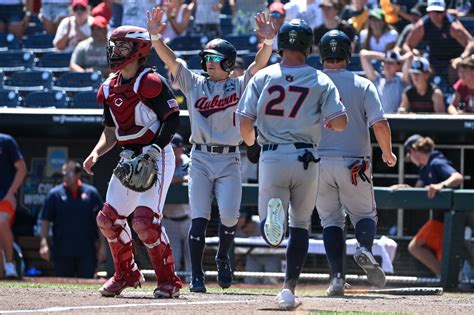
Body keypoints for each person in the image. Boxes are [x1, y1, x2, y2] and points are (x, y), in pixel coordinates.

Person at [147, 6, 277, 292]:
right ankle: (196, 275)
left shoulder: (239, 84)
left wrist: (268, 43)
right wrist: (156, 37)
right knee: (199, 217)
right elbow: (172, 61)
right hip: (202, 157)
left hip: (230, 158)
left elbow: (258, 66)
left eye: (214, 58)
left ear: (228, 62)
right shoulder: (195, 83)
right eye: (206, 58)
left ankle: (222, 257)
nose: (208, 62)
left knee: (230, 216)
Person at [238, 20, 348, 309]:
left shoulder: (263, 76)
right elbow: (340, 121)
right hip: (306, 157)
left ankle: (270, 223)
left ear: (283, 44)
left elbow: (244, 122)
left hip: (272, 154)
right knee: (300, 224)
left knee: (270, 222)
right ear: (308, 46)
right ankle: (288, 289)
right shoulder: (320, 79)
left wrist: (251, 143)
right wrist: (325, 122)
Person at [83, 25, 182, 298]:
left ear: (139, 50)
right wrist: (96, 153)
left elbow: (172, 119)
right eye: (114, 45)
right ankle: (125, 273)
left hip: (157, 155)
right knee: (107, 219)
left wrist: (154, 149)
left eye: (123, 46)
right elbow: (110, 132)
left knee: (144, 222)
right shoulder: (109, 86)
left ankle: (169, 281)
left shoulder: (151, 82)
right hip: (128, 158)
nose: (116, 51)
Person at [315, 30, 397, 297]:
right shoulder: (363, 84)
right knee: (364, 215)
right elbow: (380, 124)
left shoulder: (311, 82)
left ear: (322, 54)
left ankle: (337, 279)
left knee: (330, 221)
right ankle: (363, 246)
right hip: (354, 163)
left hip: (317, 162)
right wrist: (388, 152)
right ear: (347, 54)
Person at [391, 134, 464, 275]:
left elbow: (458, 177)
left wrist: (441, 185)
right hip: (439, 219)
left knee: (456, 254)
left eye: (409, 155)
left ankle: (448, 278)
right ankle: (445, 276)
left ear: (413, 151)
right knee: (417, 247)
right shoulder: (425, 168)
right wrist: (405, 188)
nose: (410, 159)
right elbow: (417, 191)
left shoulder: (436, 162)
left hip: (452, 218)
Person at [39, 161, 105, 279]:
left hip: (86, 249)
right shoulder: (54, 194)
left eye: (69, 173)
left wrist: (103, 246)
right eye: (64, 173)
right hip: (62, 249)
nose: (66, 176)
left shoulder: (91, 193)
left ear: (78, 174)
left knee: (87, 282)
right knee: (62, 283)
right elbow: (45, 221)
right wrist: (44, 244)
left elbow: (100, 222)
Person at [403, 0, 472, 84]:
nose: (436, 15)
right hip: (433, 59)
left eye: (439, 12)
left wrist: (461, 58)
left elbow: (470, 43)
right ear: (428, 12)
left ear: (444, 12)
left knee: (455, 68)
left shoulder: (453, 27)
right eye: (433, 11)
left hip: (453, 59)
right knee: (419, 69)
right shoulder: (422, 26)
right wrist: (411, 54)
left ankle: (454, 93)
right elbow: (407, 45)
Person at [161, 133, 192, 275]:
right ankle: (173, 284)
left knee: (191, 258)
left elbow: (190, 178)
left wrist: (175, 180)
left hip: (188, 219)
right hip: (169, 220)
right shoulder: (163, 160)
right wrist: (179, 180)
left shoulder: (187, 161)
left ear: (181, 149)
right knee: (173, 258)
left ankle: (193, 286)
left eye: (174, 148)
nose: (172, 151)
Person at [0, 133, 27, 279]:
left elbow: (22, 168)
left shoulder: (6, 141)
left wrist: (11, 192)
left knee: (1, 221)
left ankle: (10, 264)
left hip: (5, 197)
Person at [359, 49, 409, 113]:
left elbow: (410, 57)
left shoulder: (401, 80)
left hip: (396, 121)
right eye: (385, 62)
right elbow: (363, 54)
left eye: (391, 63)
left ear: (398, 66)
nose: (387, 65)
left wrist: (398, 58)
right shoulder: (377, 79)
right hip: (379, 121)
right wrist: (384, 56)